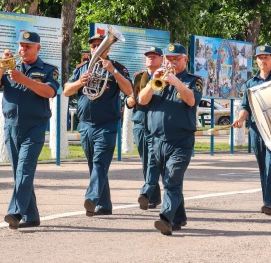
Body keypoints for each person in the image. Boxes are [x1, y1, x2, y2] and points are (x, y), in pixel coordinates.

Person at [0, 31, 59, 230]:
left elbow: (50, 92)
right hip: (11, 126)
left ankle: (16, 212)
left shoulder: (47, 70)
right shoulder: (11, 66)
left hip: (34, 126)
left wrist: (23, 79)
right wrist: (2, 66)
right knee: (19, 173)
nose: (23, 49)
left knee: (24, 170)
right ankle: (32, 216)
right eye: (21, 45)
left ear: (38, 48)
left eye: (28, 46)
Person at [63, 33, 133, 217]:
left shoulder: (117, 68)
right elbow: (66, 91)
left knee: (100, 163)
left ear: (108, 48)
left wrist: (113, 72)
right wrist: (80, 82)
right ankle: (105, 205)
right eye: (93, 46)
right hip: (85, 124)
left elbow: (129, 90)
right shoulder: (81, 68)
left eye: (100, 46)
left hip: (107, 124)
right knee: (94, 165)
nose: (96, 49)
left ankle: (91, 198)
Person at [137, 43, 203, 235]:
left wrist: (176, 82)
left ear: (185, 60)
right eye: (169, 59)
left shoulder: (193, 80)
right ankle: (179, 217)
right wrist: (152, 83)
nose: (172, 62)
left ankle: (165, 218)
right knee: (169, 180)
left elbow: (191, 100)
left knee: (172, 179)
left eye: (176, 59)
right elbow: (141, 101)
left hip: (180, 140)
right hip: (156, 140)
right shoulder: (156, 79)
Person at [232, 44, 271, 216]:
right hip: (256, 128)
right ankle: (267, 201)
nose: (263, 60)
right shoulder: (250, 83)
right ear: (256, 61)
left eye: (266, 57)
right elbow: (246, 106)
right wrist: (240, 119)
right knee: (262, 165)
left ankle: (269, 202)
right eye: (260, 58)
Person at [126, 46, 164, 210]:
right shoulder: (139, 77)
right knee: (146, 160)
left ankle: (149, 193)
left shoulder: (167, 76)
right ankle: (153, 198)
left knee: (155, 160)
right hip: (141, 122)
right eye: (149, 56)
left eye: (155, 56)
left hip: (158, 123)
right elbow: (132, 101)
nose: (151, 58)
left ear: (162, 59)